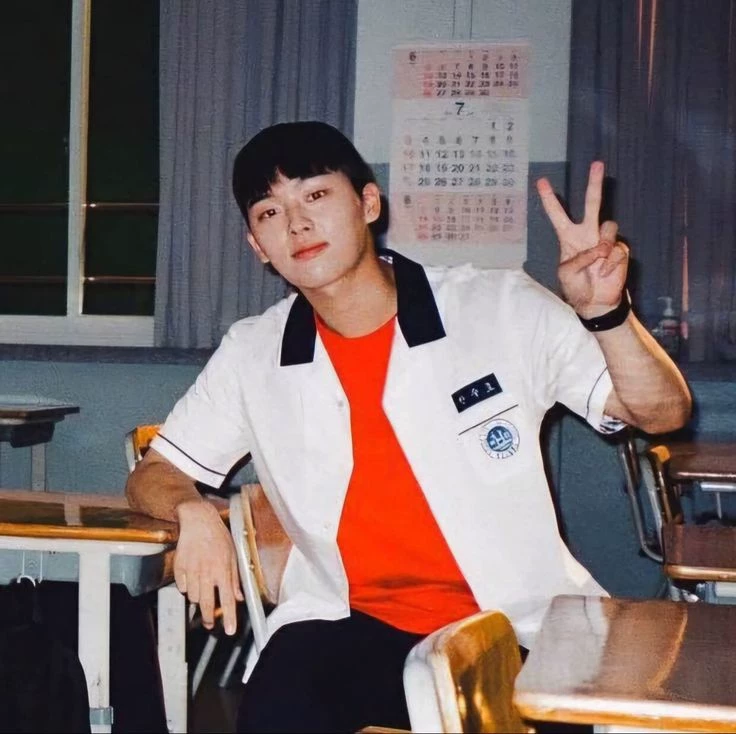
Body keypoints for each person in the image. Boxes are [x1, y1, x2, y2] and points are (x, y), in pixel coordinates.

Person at [126, 121, 691, 732]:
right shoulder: (253, 351)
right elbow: (155, 473)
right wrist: (192, 511)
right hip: (355, 624)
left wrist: (608, 315)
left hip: (514, 627)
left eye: (316, 195)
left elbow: (661, 413)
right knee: (278, 699)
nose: (297, 224)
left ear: (369, 204)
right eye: (270, 212)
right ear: (257, 246)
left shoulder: (498, 306)